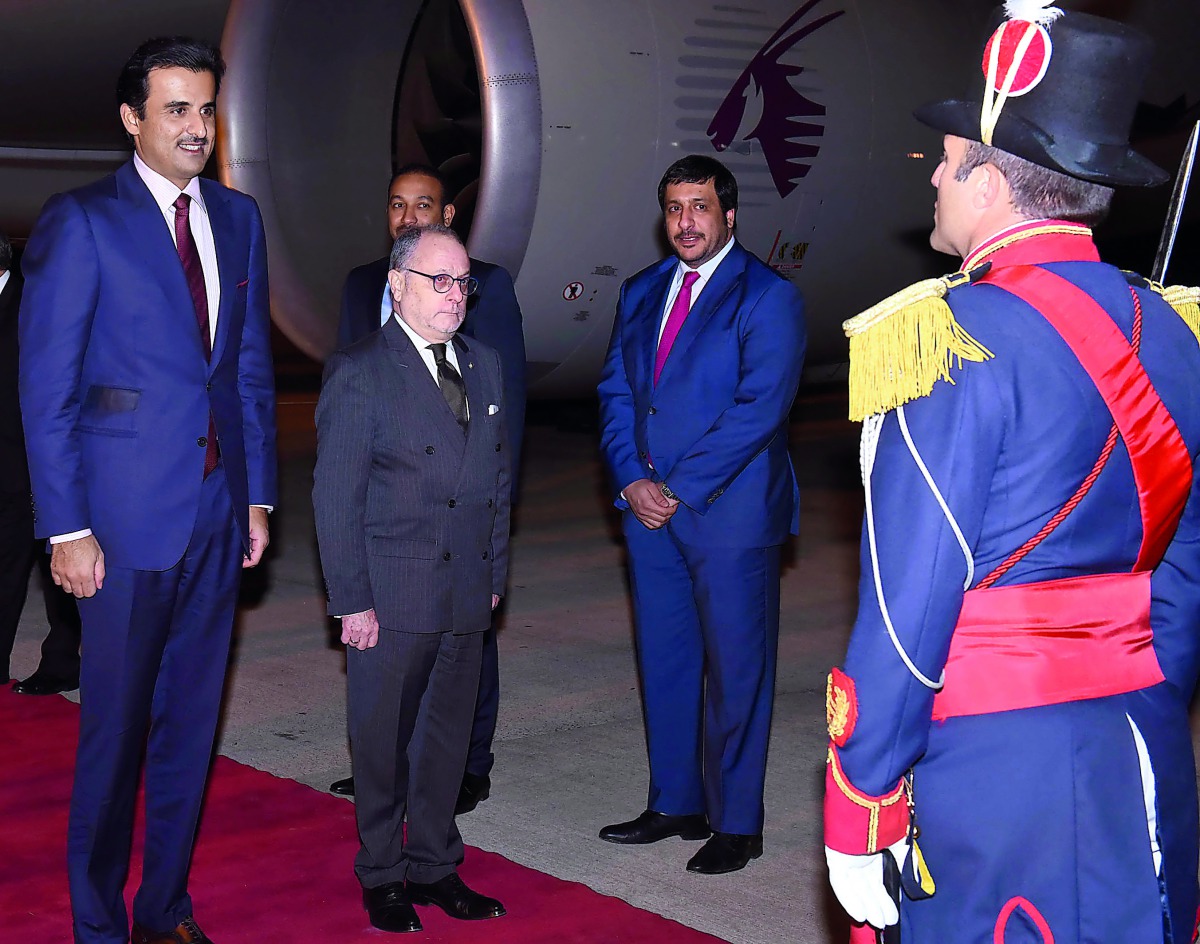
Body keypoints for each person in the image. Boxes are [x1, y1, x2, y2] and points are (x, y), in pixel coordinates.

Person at [823, 7, 1200, 941]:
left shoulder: (946, 343)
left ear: (990, 186)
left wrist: (863, 795)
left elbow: (910, 606)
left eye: (949, 164)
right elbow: (1185, 567)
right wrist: (1145, 678)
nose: (938, 181)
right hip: (1144, 739)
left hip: (993, 766)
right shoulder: (1177, 330)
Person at [19, 37, 277, 944]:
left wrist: (255, 497)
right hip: (120, 526)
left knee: (188, 731)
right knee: (114, 735)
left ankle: (164, 909)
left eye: (206, 108)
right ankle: (97, 925)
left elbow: (245, 370)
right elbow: (45, 392)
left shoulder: (239, 220)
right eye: (176, 109)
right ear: (132, 119)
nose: (196, 127)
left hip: (214, 513)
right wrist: (66, 529)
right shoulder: (81, 220)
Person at [596, 154, 806, 874]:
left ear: (730, 215)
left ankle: (736, 821)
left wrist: (675, 485)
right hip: (649, 513)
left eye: (700, 207)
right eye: (675, 208)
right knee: (667, 661)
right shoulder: (641, 290)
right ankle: (675, 802)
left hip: (728, 515)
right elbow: (617, 393)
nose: (685, 222)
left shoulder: (767, 296)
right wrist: (630, 478)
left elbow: (760, 411)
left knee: (738, 671)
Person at [313, 223, 510, 933]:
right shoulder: (361, 371)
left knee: (446, 741)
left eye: (463, 282)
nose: (455, 295)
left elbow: (495, 477)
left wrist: (494, 572)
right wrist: (351, 601)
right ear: (397, 285)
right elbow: (336, 498)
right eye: (439, 280)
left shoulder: (484, 365)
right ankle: (382, 872)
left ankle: (434, 865)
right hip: (391, 594)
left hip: (463, 590)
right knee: (383, 740)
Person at [329, 162, 526, 814]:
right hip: (397, 542)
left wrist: (492, 555)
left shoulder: (484, 308)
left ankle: (461, 780)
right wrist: (352, 595)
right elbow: (340, 477)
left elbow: (498, 436)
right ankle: (388, 819)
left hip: (463, 532)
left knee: (460, 684)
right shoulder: (362, 291)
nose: (408, 213)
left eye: (424, 203)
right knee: (390, 699)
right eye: (396, 203)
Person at [0, 229, 81, 693]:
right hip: (6, 464)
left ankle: (62, 661)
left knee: (59, 576)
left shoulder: (37, 300)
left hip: (41, 463)